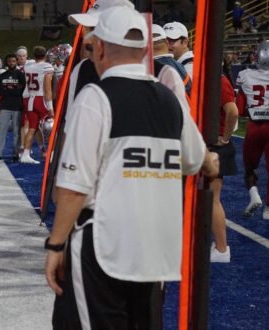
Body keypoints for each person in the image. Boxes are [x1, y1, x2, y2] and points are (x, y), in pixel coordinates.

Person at [45, 6, 219, 328]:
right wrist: (213, 160)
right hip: (155, 250)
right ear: (144, 50)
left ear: (99, 47)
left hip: (104, 245)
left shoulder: (95, 98)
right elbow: (197, 158)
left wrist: (56, 244)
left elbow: (73, 186)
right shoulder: (170, 100)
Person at [208, 60, 239, 263]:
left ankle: (221, 249)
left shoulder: (219, 81)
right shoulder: (217, 80)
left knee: (212, 198)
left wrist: (225, 137)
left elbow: (233, 111)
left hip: (216, 145)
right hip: (215, 143)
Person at [236, 40, 269, 220]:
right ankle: (268, 210)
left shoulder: (246, 75)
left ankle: (254, 195)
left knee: (249, 168)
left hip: (254, 127)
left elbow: (240, 110)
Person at [20, 46, 54, 164]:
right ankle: (51, 154)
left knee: (32, 128)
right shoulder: (47, 67)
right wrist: (50, 107)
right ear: (45, 55)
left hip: (30, 99)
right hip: (40, 99)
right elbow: (47, 88)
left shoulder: (28, 66)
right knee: (51, 127)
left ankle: (25, 154)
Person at [0, 53, 26, 163]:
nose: (11, 63)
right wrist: (14, 89)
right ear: (7, 62)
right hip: (5, 106)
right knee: (2, 130)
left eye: (13, 61)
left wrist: (9, 89)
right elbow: (0, 91)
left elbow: (21, 91)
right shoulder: (2, 75)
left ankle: (15, 154)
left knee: (17, 132)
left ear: (16, 62)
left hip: (17, 106)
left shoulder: (21, 75)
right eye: (10, 61)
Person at [152, 24, 192, 97]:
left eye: (172, 41)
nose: (168, 46)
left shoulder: (191, 66)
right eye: (165, 40)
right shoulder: (178, 65)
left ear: (185, 42)